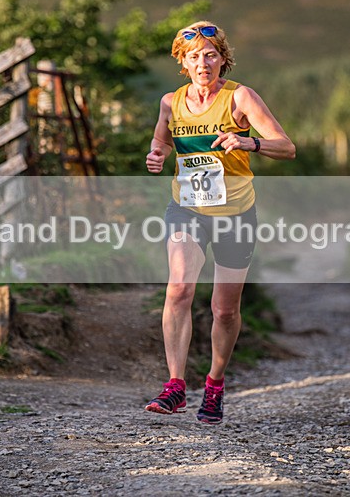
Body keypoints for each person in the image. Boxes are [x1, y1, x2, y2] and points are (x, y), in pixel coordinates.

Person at [144, 21, 295, 424]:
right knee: (179, 288)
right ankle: (175, 386)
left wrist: (248, 141)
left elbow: (287, 147)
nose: (203, 63)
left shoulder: (240, 97)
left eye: (210, 54)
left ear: (222, 59)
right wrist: (157, 155)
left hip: (235, 214)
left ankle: (214, 384)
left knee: (224, 310)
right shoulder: (170, 102)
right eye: (194, 56)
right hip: (187, 209)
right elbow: (161, 140)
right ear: (183, 62)